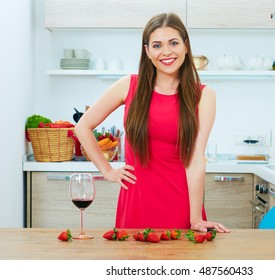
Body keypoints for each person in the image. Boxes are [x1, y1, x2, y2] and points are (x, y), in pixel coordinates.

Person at [75, 13, 230, 233]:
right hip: (136, 202)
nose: (166, 52)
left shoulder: (204, 95)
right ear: (147, 51)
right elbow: (82, 127)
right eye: (157, 45)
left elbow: (196, 160)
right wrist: (107, 170)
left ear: (186, 46)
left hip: (180, 205)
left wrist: (195, 218)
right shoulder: (128, 85)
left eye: (174, 43)